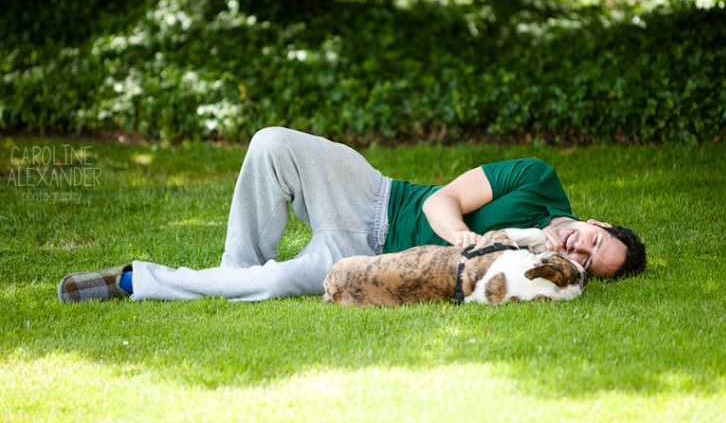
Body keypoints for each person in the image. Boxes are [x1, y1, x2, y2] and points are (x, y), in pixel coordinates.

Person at [58, 127, 646, 303]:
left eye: (592, 264)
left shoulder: (537, 272)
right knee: (270, 143)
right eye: (593, 241)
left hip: (370, 259)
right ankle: (230, 269)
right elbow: (443, 199)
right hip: (375, 197)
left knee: (281, 280)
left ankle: (135, 281)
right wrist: (468, 237)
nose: (579, 252)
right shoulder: (539, 180)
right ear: (594, 221)